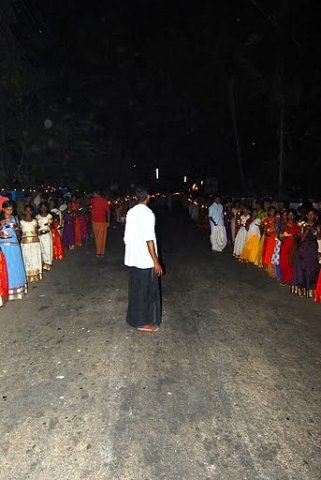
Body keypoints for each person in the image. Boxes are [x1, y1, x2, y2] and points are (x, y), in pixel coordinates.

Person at [124, 186, 163, 332]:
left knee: (135, 290)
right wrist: (155, 261)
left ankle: (133, 319)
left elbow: (127, 237)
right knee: (146, 292)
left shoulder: (131, 212)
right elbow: (149, 239)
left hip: (133, 258)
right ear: (148, 198)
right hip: (144, 260)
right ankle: (142, 323)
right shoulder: (148, 214)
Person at [0, 201, 27, 300]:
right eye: (8, 210)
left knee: (15, 265)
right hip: (3, 246)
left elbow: (19, 232)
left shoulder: (15, 218)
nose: (10, 212)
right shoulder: (1, 219)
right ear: (3, 209)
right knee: (6, 267)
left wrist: (17, 229)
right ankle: (6, 290)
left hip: (14, 245)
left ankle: (17, 290)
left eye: (11, 209)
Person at [291, 208, 320, 298]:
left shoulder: (317, 225)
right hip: (303, 248)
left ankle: (310, 290)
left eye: (312, 214)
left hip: (312, 249)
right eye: (309, 214)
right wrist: (306, 229)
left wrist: (312, 229)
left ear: (315, 216)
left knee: (310, 269)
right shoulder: (303, 224)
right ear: (306, 215)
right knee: (299, 267)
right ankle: (301, 288)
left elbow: (319, 236)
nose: (311, 216)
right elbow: (301, 239)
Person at [20, 205, 43, 283]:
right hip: (25, 243)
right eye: (27, 210)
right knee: (26, 258)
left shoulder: (35, 221)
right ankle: (27, 275)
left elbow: (37, 232)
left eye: (30, 210)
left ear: (32, 212)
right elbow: (19, 233)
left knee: (34, 258)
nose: (28, 212)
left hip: (34, 243)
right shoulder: (21, 222)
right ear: (24, 211)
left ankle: (35, 275)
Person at [279, 209, 300, 285]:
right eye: (289, 215)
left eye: (292, 215)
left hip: (293, 247)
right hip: (284, 246)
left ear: (294, 216)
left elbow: (299, 237)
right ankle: (283, 278)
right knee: (283, 263)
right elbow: (280, 236)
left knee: (291, 263)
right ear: (287, 216)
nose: (290, 216)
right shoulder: (284, 225)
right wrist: (282, 236)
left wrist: (295, 237)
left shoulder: (297, 226)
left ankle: (289, 279)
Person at [90, 190, 110, 257]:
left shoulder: (94, 200)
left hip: (97, 221)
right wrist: (108, 221)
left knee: (98, 237)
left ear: (96, 193)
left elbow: (108, 212)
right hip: (101, 222)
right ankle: (101, 251)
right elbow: (108, 212)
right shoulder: (104, 201)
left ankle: (99, 252)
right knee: (101, 237)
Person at [36, 202, 53, 271]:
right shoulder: (37, 216)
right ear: (40, 208)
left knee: (47, 249)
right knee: (41, 249)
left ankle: (48, 263)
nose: (43, 208)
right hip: (40, 235)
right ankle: (43, 263)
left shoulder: (49, 216)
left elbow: (51, 226)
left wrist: (48, 227)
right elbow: (36, 226)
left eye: (44, 207)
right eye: (42, 207)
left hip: (47, 234)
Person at [261, 207, 278, 277]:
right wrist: (264, 227)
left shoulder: (276, 220)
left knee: (271, 251)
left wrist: (273, 232)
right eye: (271, 211)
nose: (272, 212)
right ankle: (265, 265)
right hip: (266, 237)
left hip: (273, 238)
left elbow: (277, 229)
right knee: (265, 251)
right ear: (268, 212)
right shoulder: (265, 219)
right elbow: (263, 228)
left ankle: (270, 266)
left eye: (273, 211)